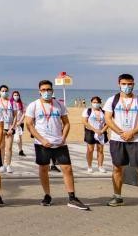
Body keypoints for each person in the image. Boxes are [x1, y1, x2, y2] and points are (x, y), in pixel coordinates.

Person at [24, 80, 89, 210]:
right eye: (43, 90)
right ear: (39, 91)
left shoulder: (59, 104)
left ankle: (72, 197)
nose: (46, 92)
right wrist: (41, 140)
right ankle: (47, 195)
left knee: (67, 169)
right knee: (43, 169)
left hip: (59, 143)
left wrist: (63, 138)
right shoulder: (34, 105)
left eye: (48, 89)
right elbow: (29, 124)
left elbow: (67, 123)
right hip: (42, 143)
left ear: (52, 90)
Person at [104, 74, 138, 212]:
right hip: (117, 139)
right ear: (118, 83)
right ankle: (117, 197)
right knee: (117, 168)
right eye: (124, 84)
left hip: (137, 140)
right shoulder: (112, 100)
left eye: (130, 84)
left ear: (134, 84)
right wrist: (122, 133)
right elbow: (108, 119)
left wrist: (132, 132)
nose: (127, 86)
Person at [0, 85, 18, 174]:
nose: (4, 92)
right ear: (0, 92)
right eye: (2, 90)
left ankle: (8, 165)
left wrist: (12, 128)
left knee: (9, 148)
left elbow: (15, 116)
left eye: (6, 90)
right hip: (0, 129)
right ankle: (1, 165)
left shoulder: (12, 103)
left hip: (9, 129)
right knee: (1, 147)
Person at [83, 96, 108, 174]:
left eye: (97, 102)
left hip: (101, 132)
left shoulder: (104, 112)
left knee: (100, 150)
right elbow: (84, 122)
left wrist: (102, 130)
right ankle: (89, 166)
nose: (96, 104)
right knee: (90, 150)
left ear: (100, 103)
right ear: (91, 103)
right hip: (90, 132)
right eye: (94, 102)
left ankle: (100, 166)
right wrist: (95, 130)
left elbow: (108, 122)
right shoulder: (88, 110)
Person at [13, 92, 26, 157]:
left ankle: (20, 150)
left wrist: (20, 121)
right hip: (12, 123)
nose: (16, 96)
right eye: (15, 95)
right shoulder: (11, 103)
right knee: (10, 137)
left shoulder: (22, 104)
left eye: (17, 95)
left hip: (20, 123)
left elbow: (24, 113)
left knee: (20, 138)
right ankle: (8, 150)